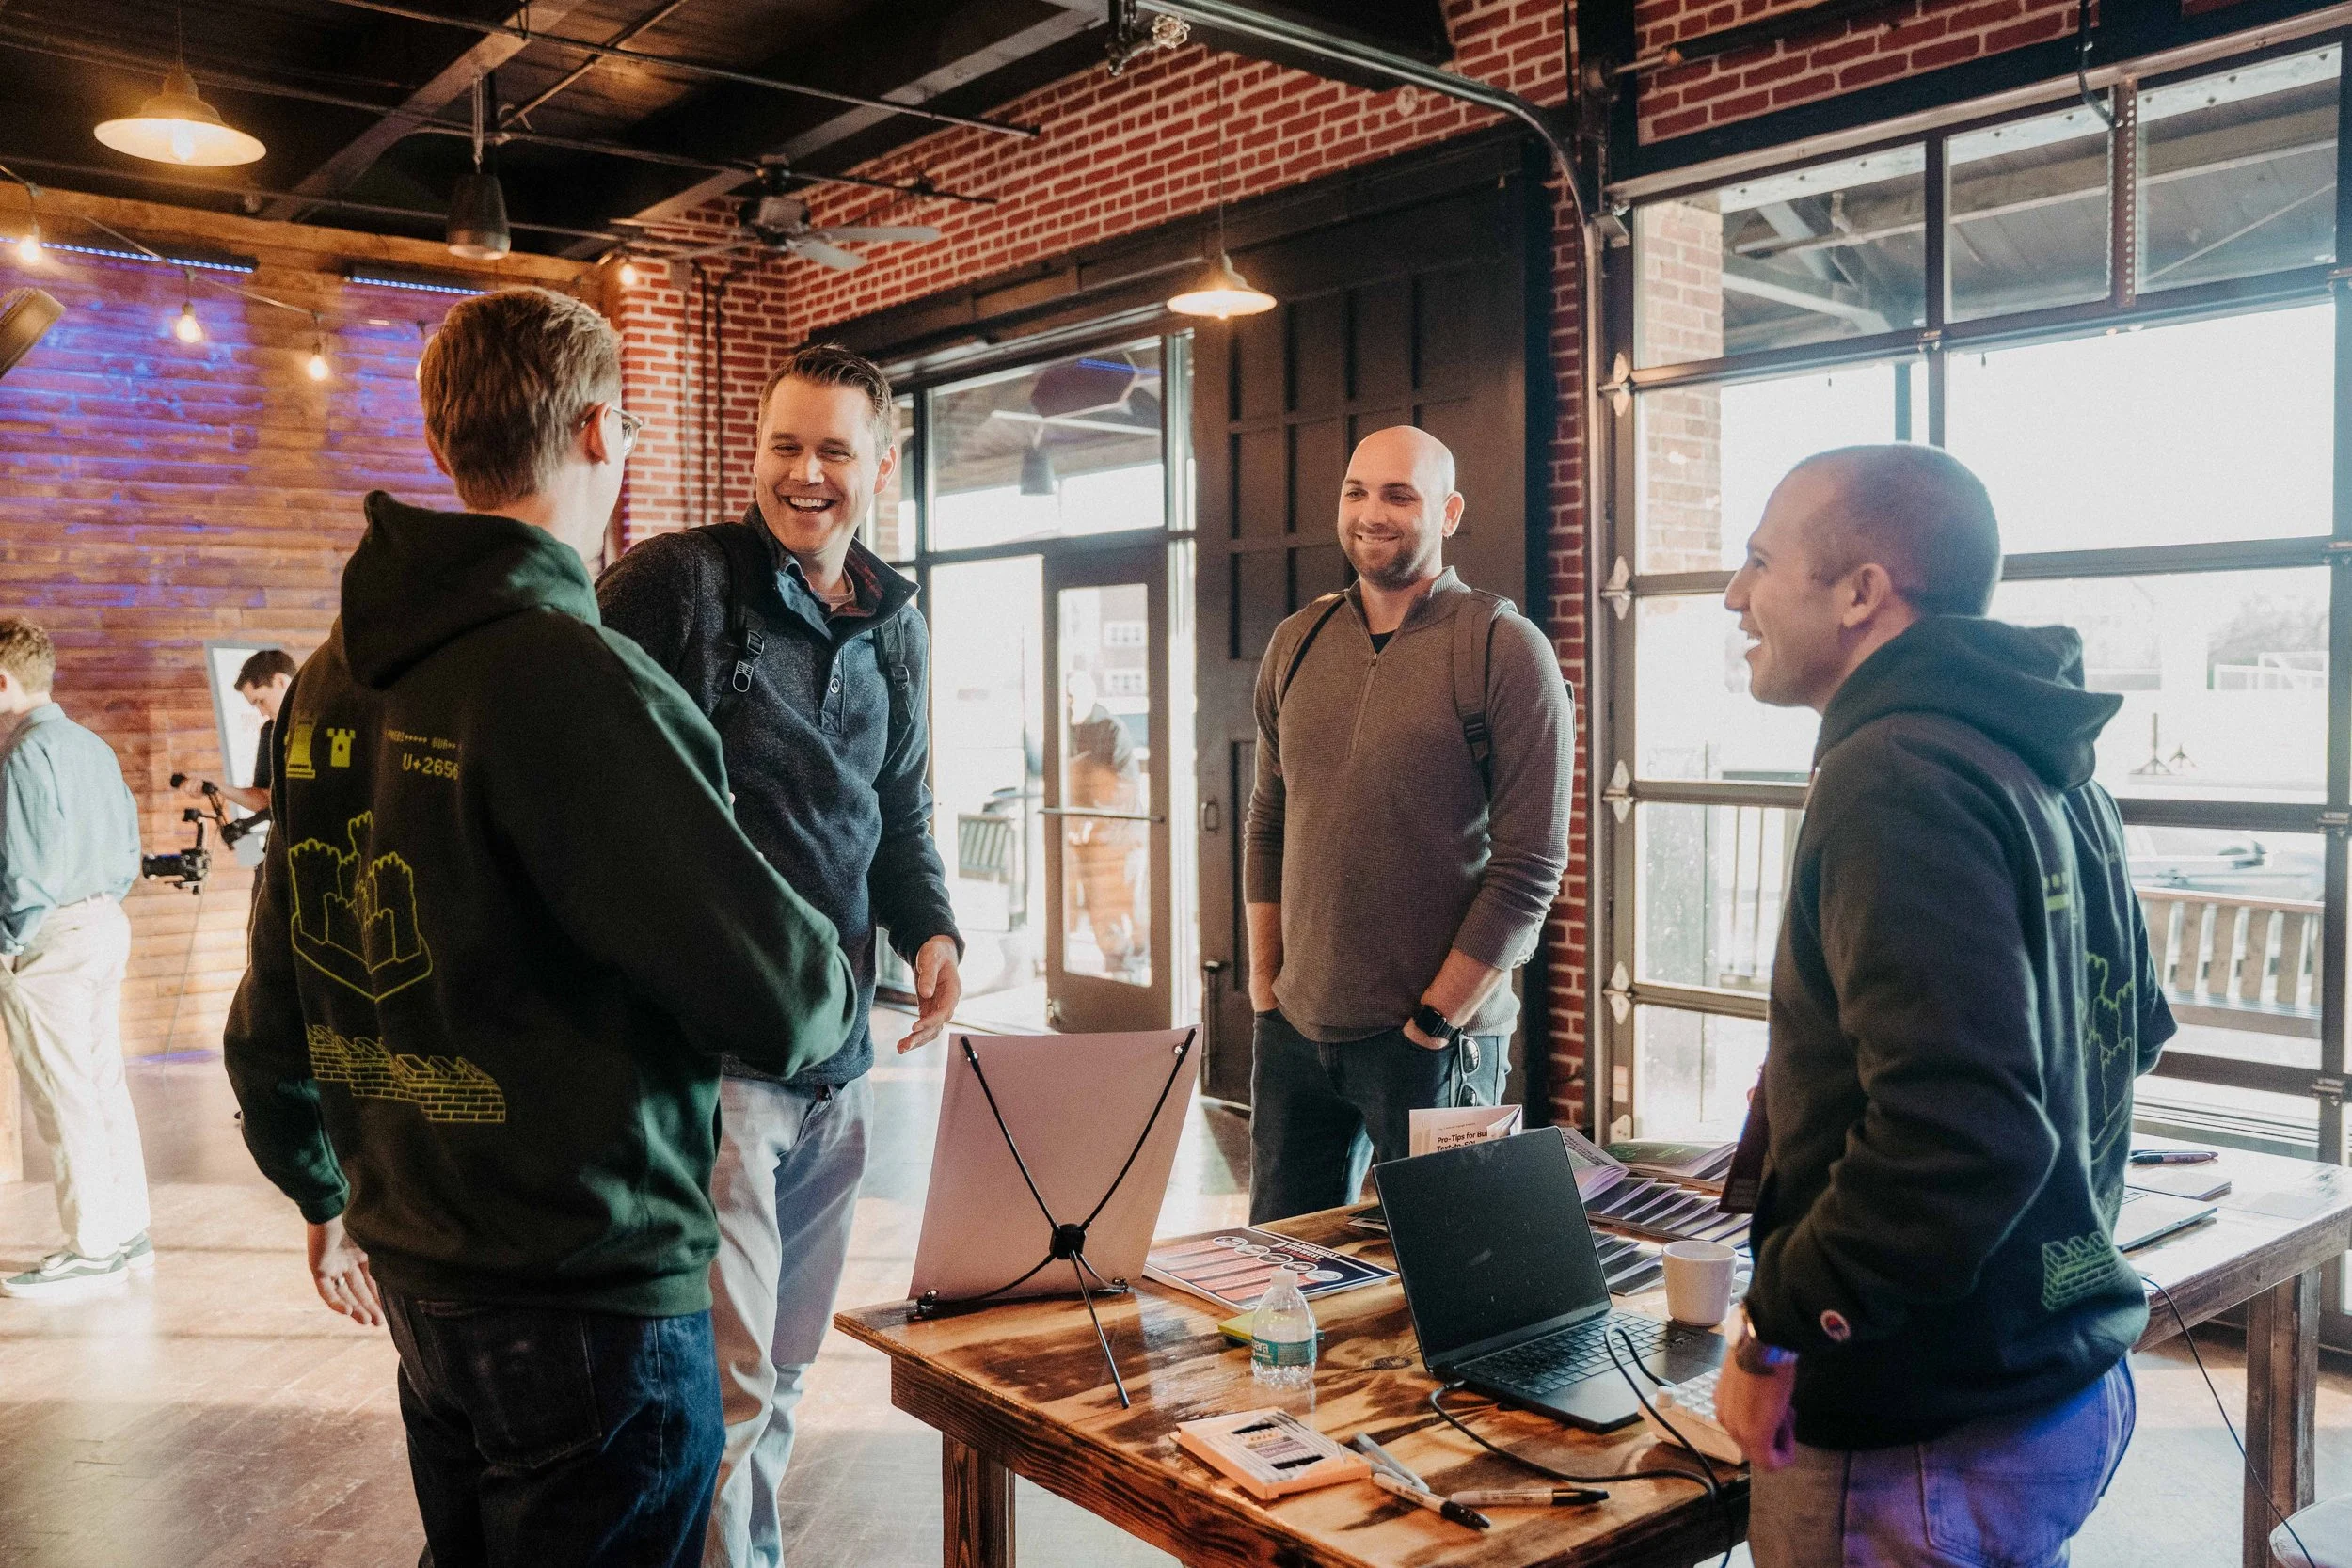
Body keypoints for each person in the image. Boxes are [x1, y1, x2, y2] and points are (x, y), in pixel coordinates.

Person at [222, 287, 860, 1568]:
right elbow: (782, 996)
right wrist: (847, 977)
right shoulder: (572, 676)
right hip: (587, 1287)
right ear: (598, 431)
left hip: (423, 1264)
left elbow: (269, 1011)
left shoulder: (337, 671)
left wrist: (322, 1182)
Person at [1711, 445, 2169, 1567]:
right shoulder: (2040, 755)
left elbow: (1959, 1129)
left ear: (1862, 591)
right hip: (2053, 1371)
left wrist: (1779, 1326)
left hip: (1923, 1423)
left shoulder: (1892, 768)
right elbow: (2125, 1028)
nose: (1733, 594)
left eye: (1760, 561)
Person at [596, 341, 962, 1568]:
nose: (804, 473)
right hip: (714, 1067)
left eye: (833, 450)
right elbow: (590, 791)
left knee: (788, 1365)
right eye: (782, 445)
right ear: (752, 449)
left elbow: (898, 809)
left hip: (838, 1062)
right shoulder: (678, 585)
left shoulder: (895, 625)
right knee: (731, 1375)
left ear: (882, 462)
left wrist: (934, 929)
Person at [1242, 425, 1574, 1223]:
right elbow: (1268, 819)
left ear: (1449, 511)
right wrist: (1264, 985)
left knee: (1457, 1277)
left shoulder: (1503, 647)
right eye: (1356, 491)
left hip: (1436, 1045)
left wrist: (1435, 1019)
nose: (1371, 512)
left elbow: (1531, 867)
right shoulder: (1297, 640)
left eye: (1400, 493)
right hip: (1294, 1032)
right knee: (1278, 1278)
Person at [0, 617, 151, 1300]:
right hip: (103, 923)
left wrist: (9, 941)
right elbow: (127, 847)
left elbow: (25, 869)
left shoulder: (25, 754)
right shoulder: (90, 744)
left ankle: (93, 1248)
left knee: (62, 1094)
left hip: (51, 938)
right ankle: (128, 1233)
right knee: (101, 1084)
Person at [1062, 669, 1142, 974]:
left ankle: (1134, 969)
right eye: (1065, 696)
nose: (1067, 703)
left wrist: (1090, 819)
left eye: (1072, 696)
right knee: (1100, 910)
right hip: (1088, 839)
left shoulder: (1112, 729)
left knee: (1128, 906)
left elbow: (1124, 786)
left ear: (1089, 697)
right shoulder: (1066, 730)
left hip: (1120, 836)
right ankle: (1117, 971)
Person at [178, 647, 295, 815]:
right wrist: (217, 786)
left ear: (281, 681)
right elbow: (263, 799)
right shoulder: (270, 731)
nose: (262, 712)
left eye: (261, 701)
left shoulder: (330, 718)